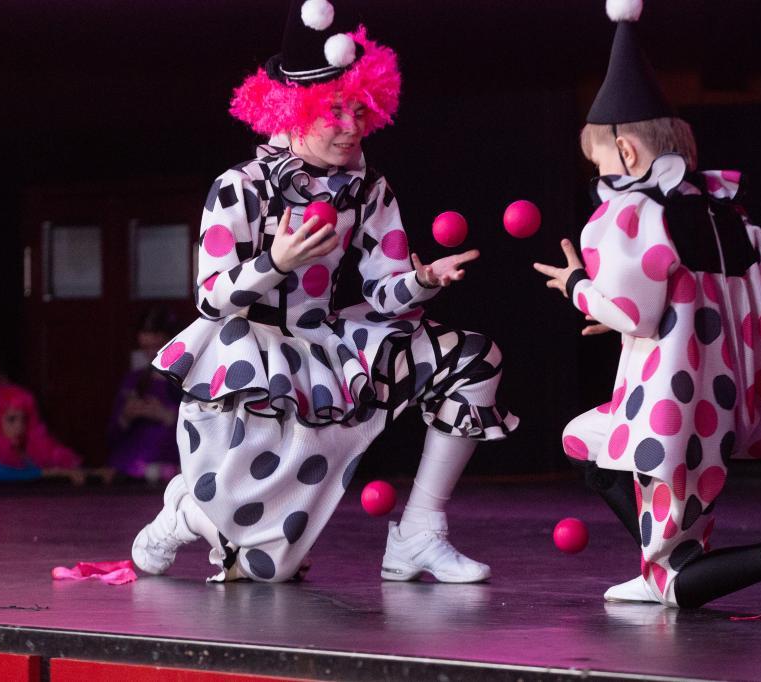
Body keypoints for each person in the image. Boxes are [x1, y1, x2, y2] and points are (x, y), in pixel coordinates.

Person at [131, 0, 517, 584]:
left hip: (331, 348)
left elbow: (384, 293)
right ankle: (185, 513)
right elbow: (211, 299)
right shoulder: (239, 187)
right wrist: (275, 263)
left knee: (473, 360)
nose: (350, 126)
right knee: (269, 569)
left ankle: (418, 533)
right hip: (248, 358)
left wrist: (422, 281)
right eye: (333, 111)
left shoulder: (369, 189)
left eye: (360, 110)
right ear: (294, 109)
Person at [533, 0, 761, 611]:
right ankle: (657, 560)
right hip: (715, 402)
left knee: (679, 587)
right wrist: (636, 322)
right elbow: (725, 302)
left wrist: (579, 286)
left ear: (625, 153)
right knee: (582, 438)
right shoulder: (724, 214)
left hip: (666, 407)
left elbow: (632, 311)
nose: (599, 173)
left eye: (599, 160)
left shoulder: (633, 212)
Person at [107, 307, 183, 481]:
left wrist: (167, 416)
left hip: (170, 469)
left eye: (157, 346)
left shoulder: (186, 381)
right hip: (128, 470)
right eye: (145, 348)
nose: (151, 353)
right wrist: (125, 417)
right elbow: (112, 437)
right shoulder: (134, 381)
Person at [0, 383, 86, 484]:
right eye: (11, 419)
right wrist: (54, 473)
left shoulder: (27, 454)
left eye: (24, 419)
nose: (20, 426)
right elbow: (4, 475)